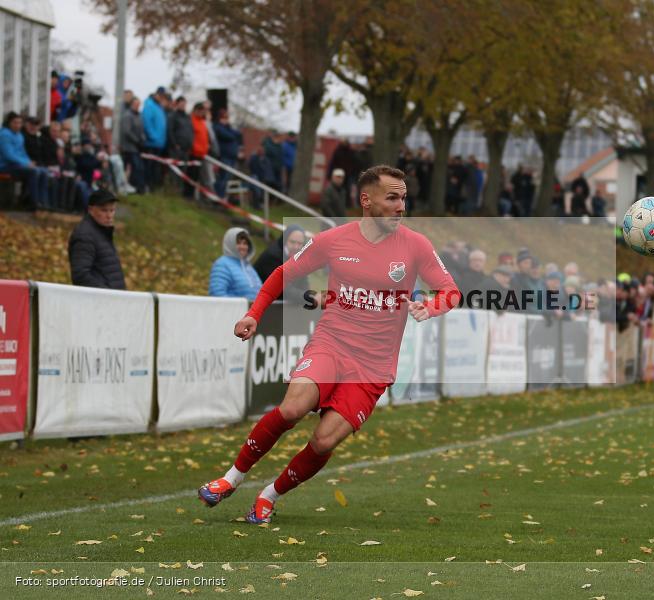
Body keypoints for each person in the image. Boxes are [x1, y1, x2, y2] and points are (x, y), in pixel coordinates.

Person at [197, 165, 461, 524]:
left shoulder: (416, 245)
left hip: (372, 367)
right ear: (366, 201)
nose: (401, 206)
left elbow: (451, 292)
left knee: (323, 442)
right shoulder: (335, 239)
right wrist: (254, 315)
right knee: (291, 409)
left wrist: (429, 306)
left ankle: (268, 497)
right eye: (392, 198)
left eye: (404, 198)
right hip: (331, 345)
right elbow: (281, 274)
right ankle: (230, 479)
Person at [67, 189, 126, 289]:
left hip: (113, 300)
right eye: (104, 210)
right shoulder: (85, 236)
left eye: (112, 210)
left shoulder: (101, 231)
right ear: (91, 210)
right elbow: (80, 275)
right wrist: (107, 294)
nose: (109, 216)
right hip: (101, 301)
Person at [0, 112, 51, 211]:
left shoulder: (19, 135)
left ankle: (44, 203)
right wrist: (26, 163)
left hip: (18, 165)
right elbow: (8, 155)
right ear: (9, 123)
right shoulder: (4, 135)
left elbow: (23, 153)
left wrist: (29, 162)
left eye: (20, 123)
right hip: (5, 165)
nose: (18, 125)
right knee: (34, 172)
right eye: (15, 123)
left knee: (43, 171)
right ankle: (33, 203)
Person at [253, 225, 311, 304]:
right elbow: (281, 289)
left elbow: (304, 283)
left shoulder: (300, 256)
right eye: (292, 242)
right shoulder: (273, 256)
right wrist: (308, 297)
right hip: (260, 302)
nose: (296, 247)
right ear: (285, 240)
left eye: (299, 243)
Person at [209, 227, 263, 300]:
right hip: (235, 310)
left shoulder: (248, 266)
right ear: (230, 243)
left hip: (252, 310)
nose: (242, 247)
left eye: (245, 243)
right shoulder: (222, 264)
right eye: (238, 243)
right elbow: (217, 294)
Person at [141, 87, 168, 189]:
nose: (161, 98)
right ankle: (146, 185)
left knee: (155, 167)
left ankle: (152, 185)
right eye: (160, 95)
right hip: (151, 143)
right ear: (156, 94)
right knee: (149, 166)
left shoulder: (159, 107)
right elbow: (147, 123)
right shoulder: (149, 106)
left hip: (159, 143)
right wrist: (153, 137)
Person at [213, 108, 242, 199]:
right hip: (224, 157)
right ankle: (218, 197)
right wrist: (233, 135)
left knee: (227, 179)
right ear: (219, 118)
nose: (226, 119)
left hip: (232, 158)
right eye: (224, 117)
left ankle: (222, 197)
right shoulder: (217, 127)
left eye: (227, 117)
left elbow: (238, 134)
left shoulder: (228, 128)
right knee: (222, 178)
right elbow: (228, 135)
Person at [120, 97, 146, 194]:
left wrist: (143, 139)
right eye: (136, 104)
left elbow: (142, 130)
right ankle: (133, 187)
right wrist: (137, 141)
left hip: (137, 147)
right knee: (134, 167)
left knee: (138, 168)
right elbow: (127, 131)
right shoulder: (127, 115)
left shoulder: (139, 116)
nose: (137, 106)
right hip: (129, 147)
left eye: (139, 104)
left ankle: (136, 187)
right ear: (132, 104)